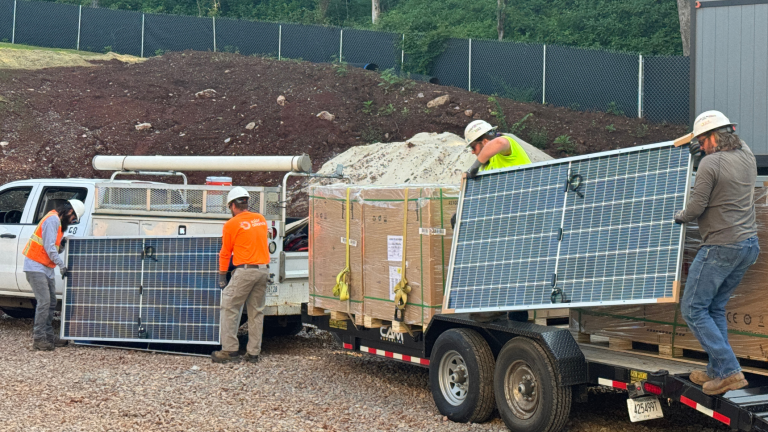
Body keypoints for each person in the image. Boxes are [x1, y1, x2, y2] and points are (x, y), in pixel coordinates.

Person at [674, 110, 759, 395]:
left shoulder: (711, 164)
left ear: (713, 137)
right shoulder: (746, 153)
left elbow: (696, 208)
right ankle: (717, 371)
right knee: (714, 307)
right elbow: (731, 141)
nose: (701, 146)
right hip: (747, 246)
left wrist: (678, 215)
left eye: (703, 140)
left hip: (721, 247)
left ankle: (731, 371)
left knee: (692, 308)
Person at [212, 186, 271, 364]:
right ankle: (253, 353)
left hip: (245, 271)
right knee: (256, 312)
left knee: (229, 306)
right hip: (263, 271)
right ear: (246, 203)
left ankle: (229, 351)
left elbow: (225, 252)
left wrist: (222, 275)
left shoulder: (231, 224)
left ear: (232, 205)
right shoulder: (260, 219)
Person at [22, 199, 85, 351]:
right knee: (44, 302)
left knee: (50, 303)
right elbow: (49, 249)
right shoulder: (52, 220)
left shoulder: (59, 225)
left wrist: (62, 244)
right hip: (35, 266)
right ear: (70, 212)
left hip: (46, 268)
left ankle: (49, 336)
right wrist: (63, 266)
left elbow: (55, 249)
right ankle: (39, 339)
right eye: (74, 219)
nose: (73, 221)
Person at [463, 119, 532, 179]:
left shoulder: (506, 144)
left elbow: (500, 142)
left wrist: (474, 167)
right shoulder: (485, 166)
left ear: (485, 142)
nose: (472, 152)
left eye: (473, 147)